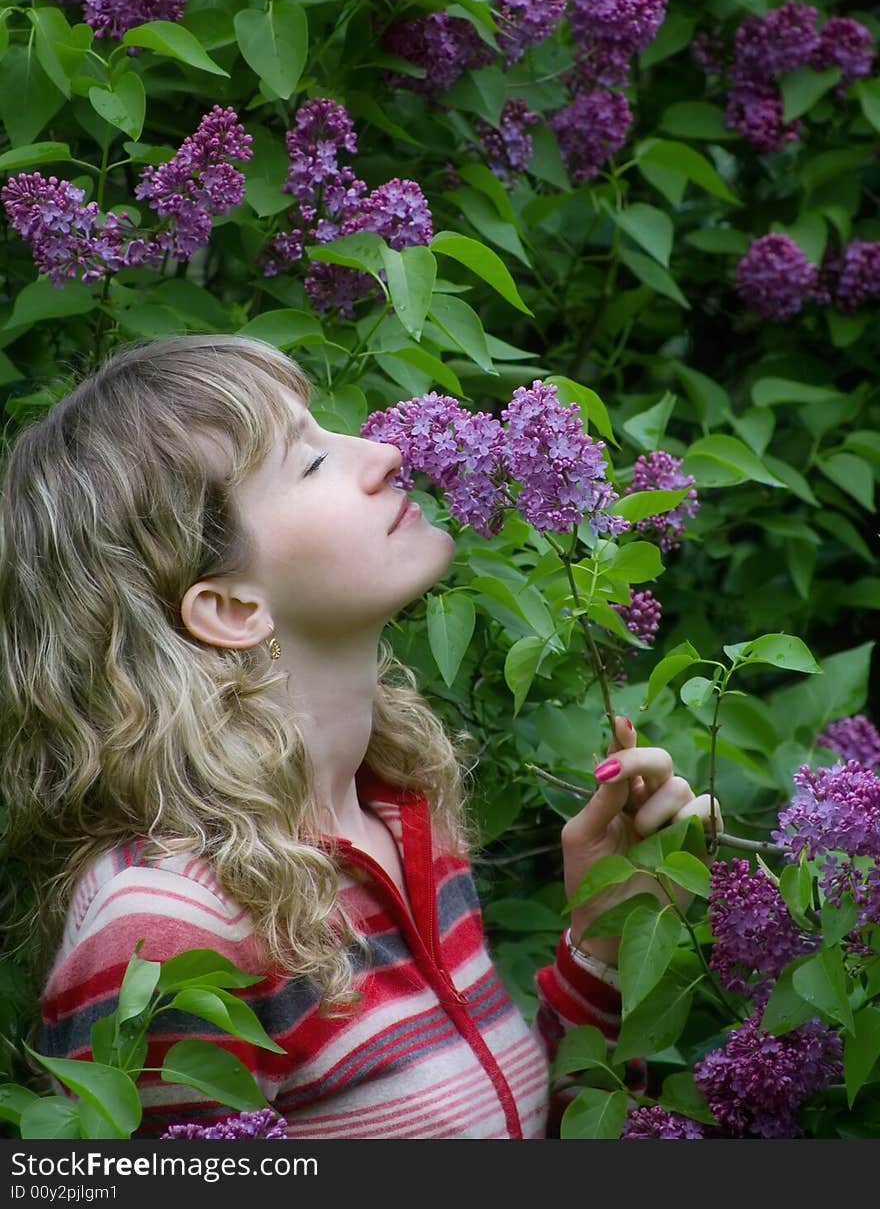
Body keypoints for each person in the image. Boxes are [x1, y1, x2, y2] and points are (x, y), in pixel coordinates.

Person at [0, 334, 720, 1139]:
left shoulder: (402, 810)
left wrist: (606, 945)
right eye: (309, 463)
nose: (384, 451)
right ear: (232, 607)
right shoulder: (165, 933)